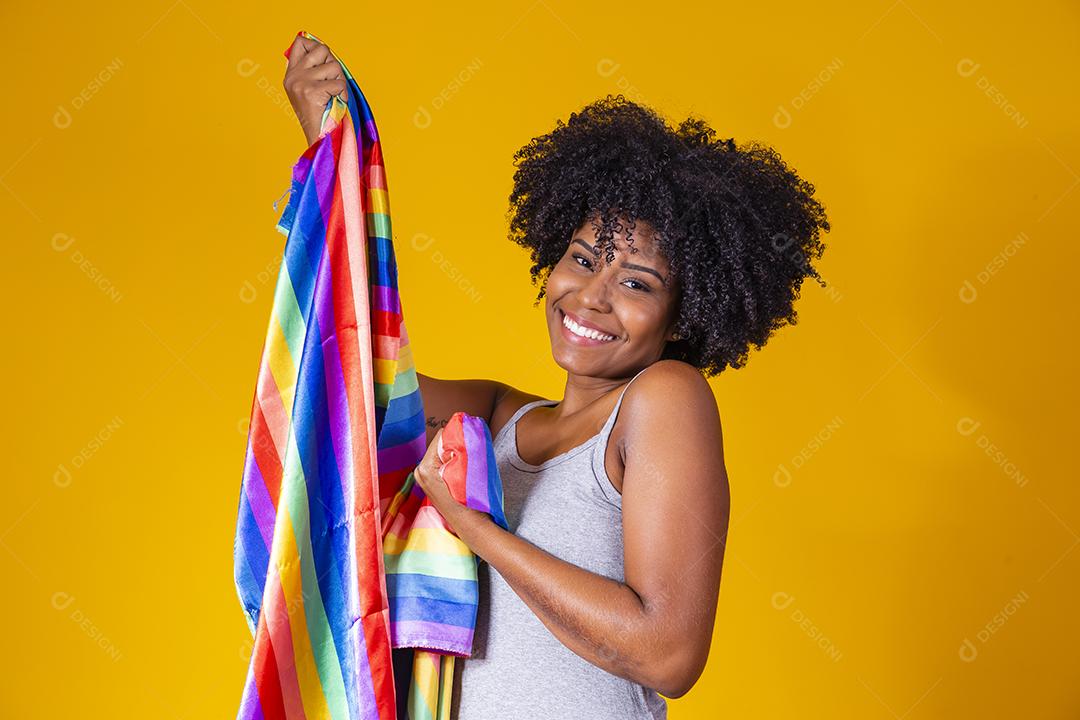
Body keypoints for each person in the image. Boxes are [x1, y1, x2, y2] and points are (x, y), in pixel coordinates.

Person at [283, 35, 829, 719]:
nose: (592, 296)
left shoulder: (664, 399)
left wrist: (479, 531)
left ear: (684, 316)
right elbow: (351, 375)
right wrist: (329, 144)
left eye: (636, 281)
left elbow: (668, 653)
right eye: (581, 258)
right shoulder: (498, 415)